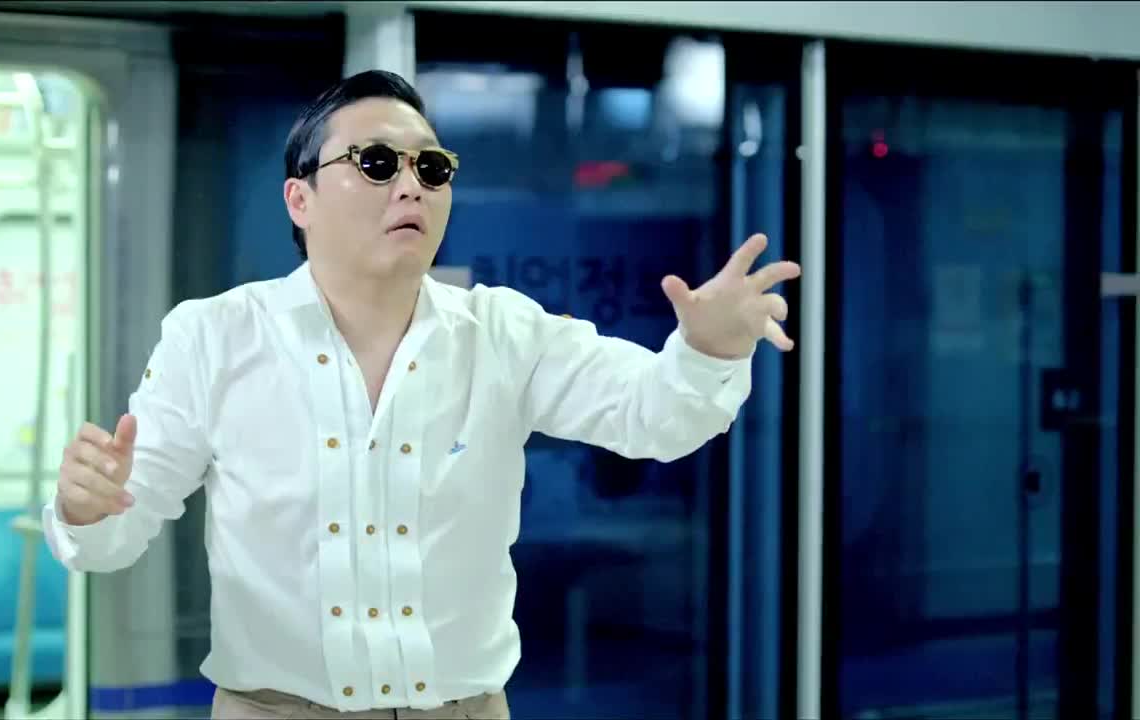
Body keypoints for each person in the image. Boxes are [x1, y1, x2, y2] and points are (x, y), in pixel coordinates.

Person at [43, 69, 800, 720]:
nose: (411, 184)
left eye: (432, 168)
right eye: (375, 162)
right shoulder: (215, 336)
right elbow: (118, 531)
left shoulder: (504, 332)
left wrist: (709, 350)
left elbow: (654, 418)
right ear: (300, 199)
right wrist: (86, 508)